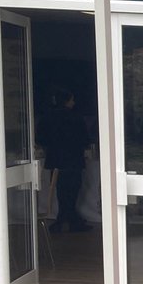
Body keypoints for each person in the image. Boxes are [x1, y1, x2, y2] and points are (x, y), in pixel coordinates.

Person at [44, 89, 92, 233]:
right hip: (73, 160)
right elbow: (85, 139)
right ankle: (70, 220)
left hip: (56, 160)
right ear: (67, 101)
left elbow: (40, 137)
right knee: (72, 191)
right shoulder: (76, 118)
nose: (74, 102)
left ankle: (65, 219)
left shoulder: (48, 117)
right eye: (72, 100)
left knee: (60, 191)